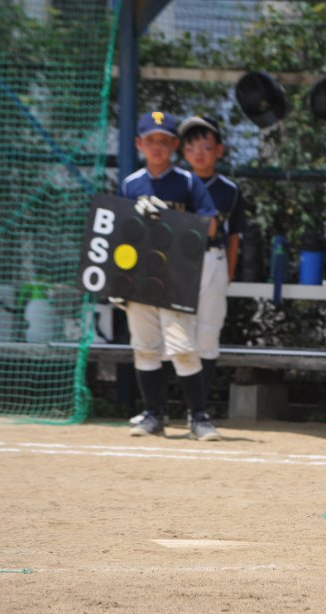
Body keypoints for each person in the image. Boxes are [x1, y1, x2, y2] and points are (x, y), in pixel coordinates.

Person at [120, 110, 220, 441]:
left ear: (175, 146)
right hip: (140, 278)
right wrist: (118, 280)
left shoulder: (188, 182)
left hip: (176, 276)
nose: (158, 147)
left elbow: (212, 226)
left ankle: (198, 417)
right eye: (151, 141)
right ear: (139, 144)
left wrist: (169, 218)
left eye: (165, 141)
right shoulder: (131, 184)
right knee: (145, 347)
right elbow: (119, 232)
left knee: (182, 347)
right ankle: (153, 415)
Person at [179, 114, 247, 435]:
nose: (199, 153)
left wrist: (228, 272)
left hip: (212, 260)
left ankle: (198, 413)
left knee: (206, 337)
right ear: (183, 151)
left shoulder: (229, 190)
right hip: (176, 265)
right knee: (176, 337)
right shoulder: (176, 182)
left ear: (219, 150)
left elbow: (234, 235)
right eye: (191, 146)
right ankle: (160, 409)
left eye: (206, 146)